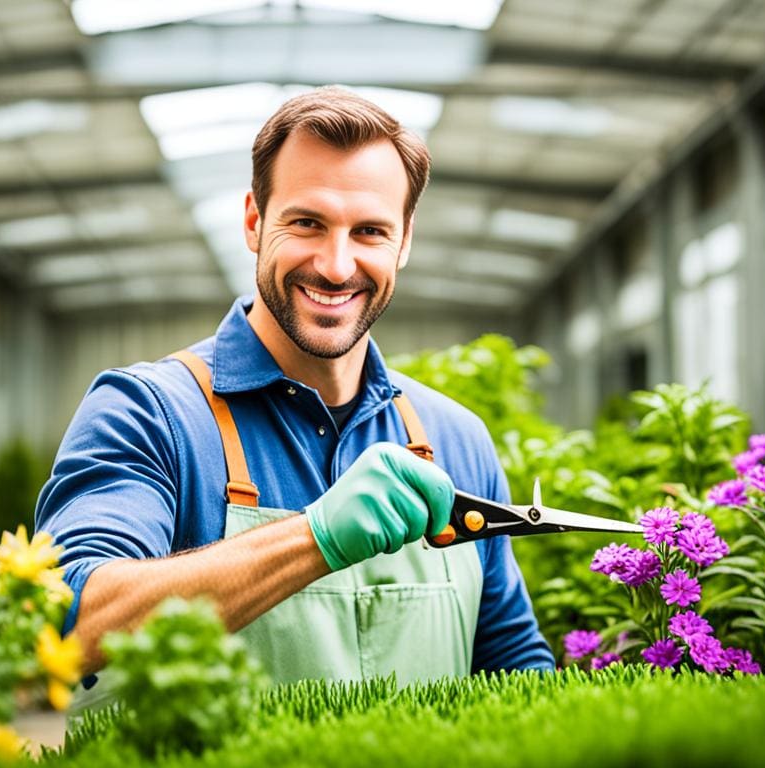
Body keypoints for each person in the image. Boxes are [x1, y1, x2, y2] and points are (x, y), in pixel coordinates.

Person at [37, 87, 554, 698]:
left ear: (405, 240)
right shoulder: (150, 413)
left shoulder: (455, 437)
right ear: (255, 222)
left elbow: (512, 662)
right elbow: (69, 624)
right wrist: (315, 537)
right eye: (307, 223)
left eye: (369, 231)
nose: (337, 266)